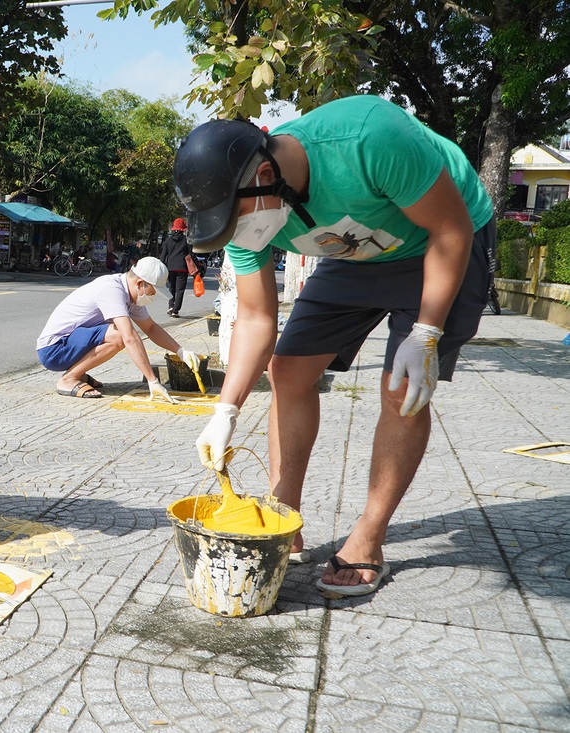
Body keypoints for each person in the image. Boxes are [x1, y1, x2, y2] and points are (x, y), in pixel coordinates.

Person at [173, 95, 495, 597]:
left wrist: (426, 334)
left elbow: (449, 228)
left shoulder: (368, 137)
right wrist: (226, 409)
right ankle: (285, 516)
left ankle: (369, 536)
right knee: (288, 372)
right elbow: (258, 319)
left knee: (401, 386)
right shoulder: (248, 222)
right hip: (354, 250)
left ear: (262, 177)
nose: (238, 235)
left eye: (233, 221)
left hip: (443, 238)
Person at [36, 256, 202, 400]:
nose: (152, 298)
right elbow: (129, 337)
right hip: (54, 349)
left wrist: (180, 351)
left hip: (69, 344)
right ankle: (69, 379)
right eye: (153, 293)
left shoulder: (131, 296)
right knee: (119, 335)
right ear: (140, 284)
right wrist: (152, 380)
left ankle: (78, 373)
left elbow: (150, 328)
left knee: (120, 332)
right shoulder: (112, 289)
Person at [159, 218, 191, 317]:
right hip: (182, 268)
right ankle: (175, 311)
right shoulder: (186, 241)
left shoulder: (168, 241)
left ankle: (170, 306)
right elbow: (191, 254)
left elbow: (163, 256)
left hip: (170, 268)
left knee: (171, 288)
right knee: (180, 290)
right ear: (183, 229)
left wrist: (162, 267)